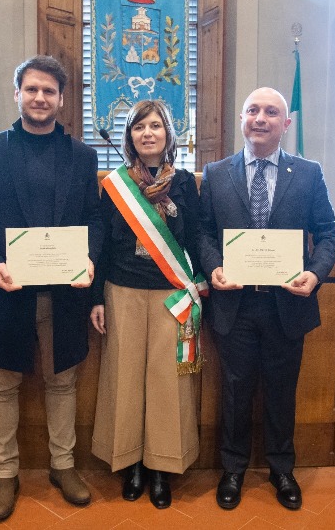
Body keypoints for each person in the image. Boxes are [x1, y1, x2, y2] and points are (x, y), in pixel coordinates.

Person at [0, 55, 103, 522]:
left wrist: (89, 259)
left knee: (63, 381)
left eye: (49, 91)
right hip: (6, 290)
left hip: (63, 293)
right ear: (17, 94)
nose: (40, 98)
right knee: (2, 385)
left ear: (61, 99)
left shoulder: (82, 156)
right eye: (31, 89)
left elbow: (94, 219)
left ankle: (63, 466)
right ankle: (5, 473)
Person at [198, 87, 335, 510]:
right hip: (235, 305)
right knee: (235, 391)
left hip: (287, 304)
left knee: (282, 391)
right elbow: (202, 233)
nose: (260, 118)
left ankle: (281, 469)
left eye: (271, 112)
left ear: (286, 123)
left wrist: (315, 273)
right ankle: (233, 469)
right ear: (242, 118)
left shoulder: (309, 173)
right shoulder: (216, 173)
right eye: (253, 110)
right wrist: (214, 267)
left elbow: (328, 233)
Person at [90, 100, 205, 509]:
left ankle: (161, 466)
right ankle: (130, 463)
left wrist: (204, 277)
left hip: (171, 294)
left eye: (156, 125)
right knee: (123, 378)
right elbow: (101, 245)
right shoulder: (115, 185)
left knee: (167, 382)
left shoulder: (185, 183)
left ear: (168, 133)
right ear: (130, 136)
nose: (148, 133)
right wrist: (95, 298)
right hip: (122, 291)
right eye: (139, 127)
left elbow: (196, 236)